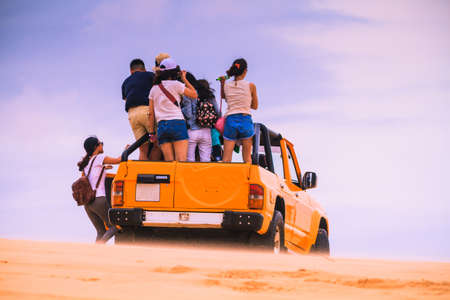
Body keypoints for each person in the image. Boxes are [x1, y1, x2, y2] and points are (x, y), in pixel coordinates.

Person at [77, 136, 127, 243]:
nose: (102, 145)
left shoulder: (86, 163)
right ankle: (100, 249)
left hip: (88, 204)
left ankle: (95, 252)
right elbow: (119, 160)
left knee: (100, 231)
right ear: (96, 146)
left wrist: (104, 168)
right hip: (99, 199)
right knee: (114, 227)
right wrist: (126, 150)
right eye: (101, 143)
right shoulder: (100, 158)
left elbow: (91, 177)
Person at [148, 58, 198, 161]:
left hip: (162, 126)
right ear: (175, 72)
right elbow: (194, 94)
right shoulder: (176, 85)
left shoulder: (153, 89)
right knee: (181, 161)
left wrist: (152, 133)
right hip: (177, 123)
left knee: (169, 162)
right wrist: (184, 79)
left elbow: (151, 114)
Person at [220, 58, 258, 163]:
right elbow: (255, 106)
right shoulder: (251, 85)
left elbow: (224, 97)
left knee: (226, 158)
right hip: (245, 118)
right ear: (245, 71)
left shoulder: (227, 85)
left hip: (230, 120)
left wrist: (222, 83)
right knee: (247, 159)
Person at [122, 58, 161, 160]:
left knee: (142, 148)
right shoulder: (149, 75)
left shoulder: (125, 82)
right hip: (147, 111)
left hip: (132, 114)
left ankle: (142, 173)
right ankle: (152, 171)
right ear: (144, 69)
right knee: (157, 144)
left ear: (131, 71)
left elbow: (126, 99)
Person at [182, 76, 218, 162]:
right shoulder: (209, 96)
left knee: (189, 160)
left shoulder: (189, 95)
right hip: (206, 131)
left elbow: (189, 114)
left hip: (192, 130)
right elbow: (217, 112)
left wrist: (181, 109)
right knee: (205, 161)